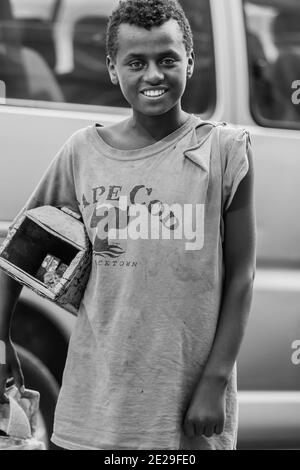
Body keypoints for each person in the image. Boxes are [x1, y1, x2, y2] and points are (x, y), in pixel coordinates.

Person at [0, 0, 256, 450]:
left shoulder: (225, 152)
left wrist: (215, 380)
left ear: (190, 62)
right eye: (136, 62)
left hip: (189, 407)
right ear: (113, 69)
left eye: (168, 59)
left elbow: (242, 275)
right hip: (93, 407)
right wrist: (1, 342)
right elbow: (17, 257)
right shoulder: (83, 153)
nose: (153, 75)